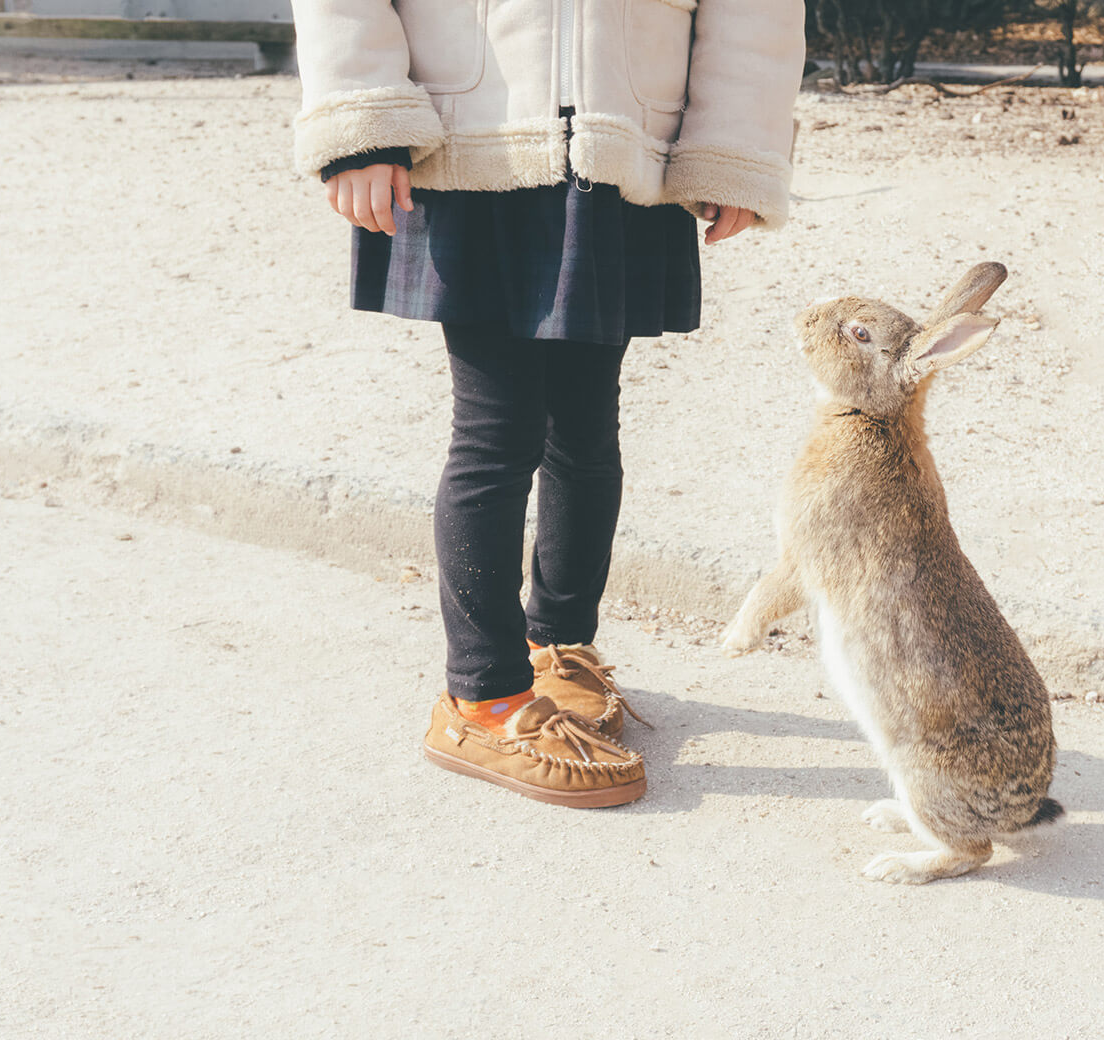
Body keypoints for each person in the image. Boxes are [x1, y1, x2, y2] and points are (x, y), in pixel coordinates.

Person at [290, 0, 805, 807]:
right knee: (497, 434)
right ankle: (482, 697)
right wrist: (363, 122)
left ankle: (559, 647)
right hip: (472, 140)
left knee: (586, 432)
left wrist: (733, 148)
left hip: (618, 148)